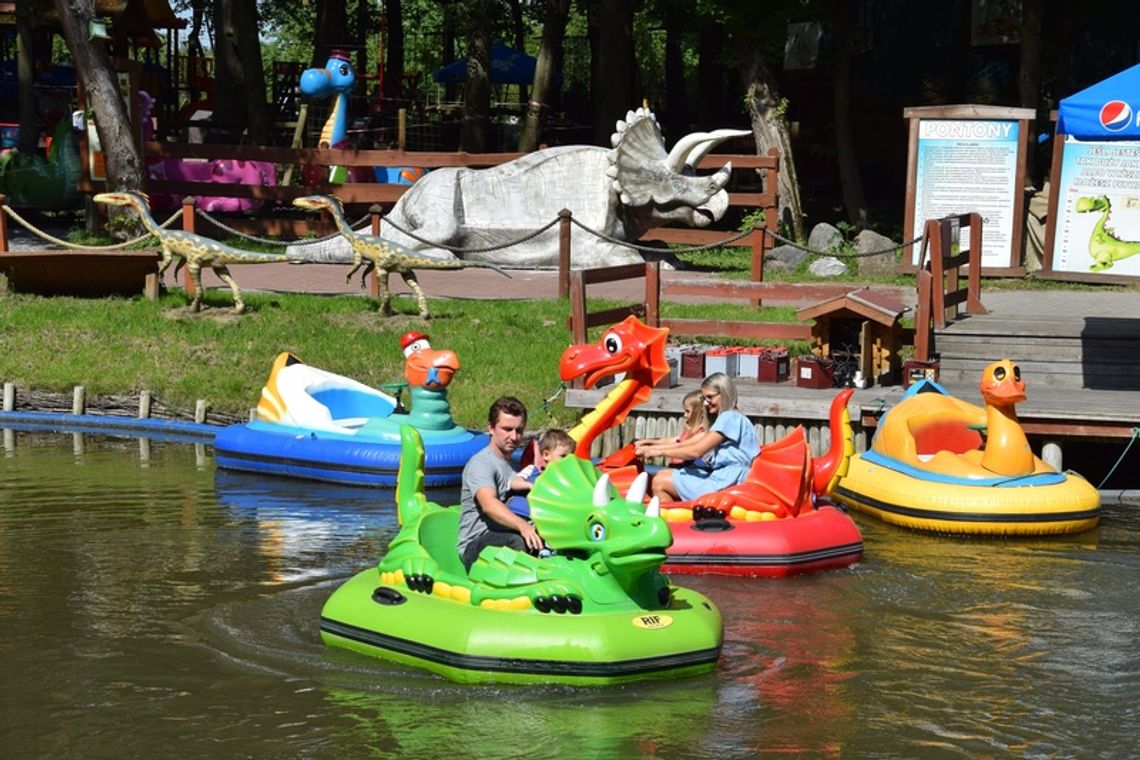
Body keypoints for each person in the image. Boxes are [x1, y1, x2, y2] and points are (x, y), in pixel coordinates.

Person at [634, 373, 760, 502]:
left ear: (724, 393)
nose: (706, 403)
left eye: (710, 397)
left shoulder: (729, 417)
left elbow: (696, 451)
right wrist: (651, 446)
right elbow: (691, 446)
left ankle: (673, 520)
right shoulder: (735, 418)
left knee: (659, 482)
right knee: (664, 474)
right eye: (704, 398)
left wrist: (659, 452)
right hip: (726, 476)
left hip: (728, 480)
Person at [457, 396, 544, 571]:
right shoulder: (481, 464)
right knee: (519, 541)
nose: (514, 437)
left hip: (506, 535)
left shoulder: (514, 466)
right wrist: (523, 526)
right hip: (476, 545)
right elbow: (489, 505)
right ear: (491, 428)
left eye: (519, 430)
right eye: (507, 429)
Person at [506, 428, 576, 518]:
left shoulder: (566, 478)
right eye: (563, 456)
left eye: (571, 457)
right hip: (518, 511)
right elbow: (514, 483)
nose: (568, 460)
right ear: (546, 455)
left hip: (543, 517)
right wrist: (529, 485)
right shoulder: (532, 470)